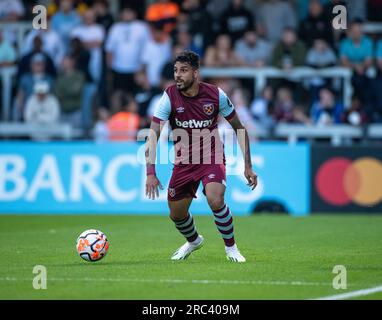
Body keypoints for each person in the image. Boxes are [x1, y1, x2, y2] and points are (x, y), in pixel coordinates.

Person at [145, 51, 258, 262]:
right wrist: (150, 172)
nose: (178, 75)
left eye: (184, 71)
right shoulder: (169, 97)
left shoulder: (216, 95)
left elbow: (239, 129)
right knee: (176, 215)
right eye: (176, 71)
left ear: (196, 73)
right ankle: (194, 241)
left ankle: (231, 248)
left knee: (215, 199)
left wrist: (248, 166)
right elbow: (152, 136)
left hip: (211, 156)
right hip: (184, 162)